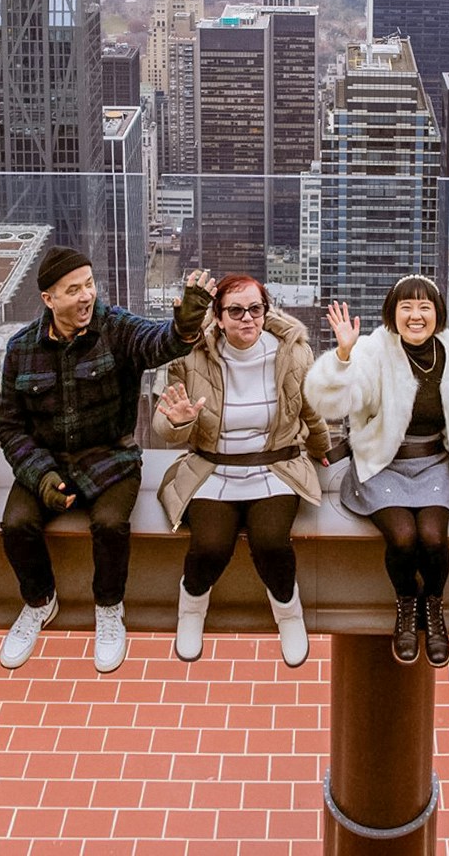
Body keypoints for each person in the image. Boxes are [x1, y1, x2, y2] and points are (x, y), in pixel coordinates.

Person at [0, 248, 215, 674]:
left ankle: (109, 607)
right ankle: (39, 600)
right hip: (46, 461)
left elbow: (158, 343)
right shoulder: (21, 348)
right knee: (17, 525)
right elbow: (10, 427)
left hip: (110, 458)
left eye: (89, 285)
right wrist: (41, 477)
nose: (85, 297)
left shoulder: (115, 328)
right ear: (48, 299)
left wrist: (185, 325)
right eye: (73, 290)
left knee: (110, 524)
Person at [304, 275, 449, 668]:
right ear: (393, 313)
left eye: (424, 306)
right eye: (406, 306)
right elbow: (330, 401)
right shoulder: (373, 351)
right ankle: (407, 603)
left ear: (437, 314)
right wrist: (342, 356)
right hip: (382, 461)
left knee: (433, 537)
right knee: (404, 537)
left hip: (434, 463)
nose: (415, 315)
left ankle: (434, 607)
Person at [153, 274, 330, 667]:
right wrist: (179, 420)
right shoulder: (190, 356)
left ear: (266, 312)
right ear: (218, 317)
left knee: (271, 542)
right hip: (212, 469)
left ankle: (289, 613)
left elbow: (310, 409)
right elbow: (163, 428)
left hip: (275, 467)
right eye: (235, 311)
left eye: (255, 309)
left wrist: (322, 449)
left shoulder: (292, 354)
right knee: (210, 545)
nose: (247, 318)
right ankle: (192, 610)